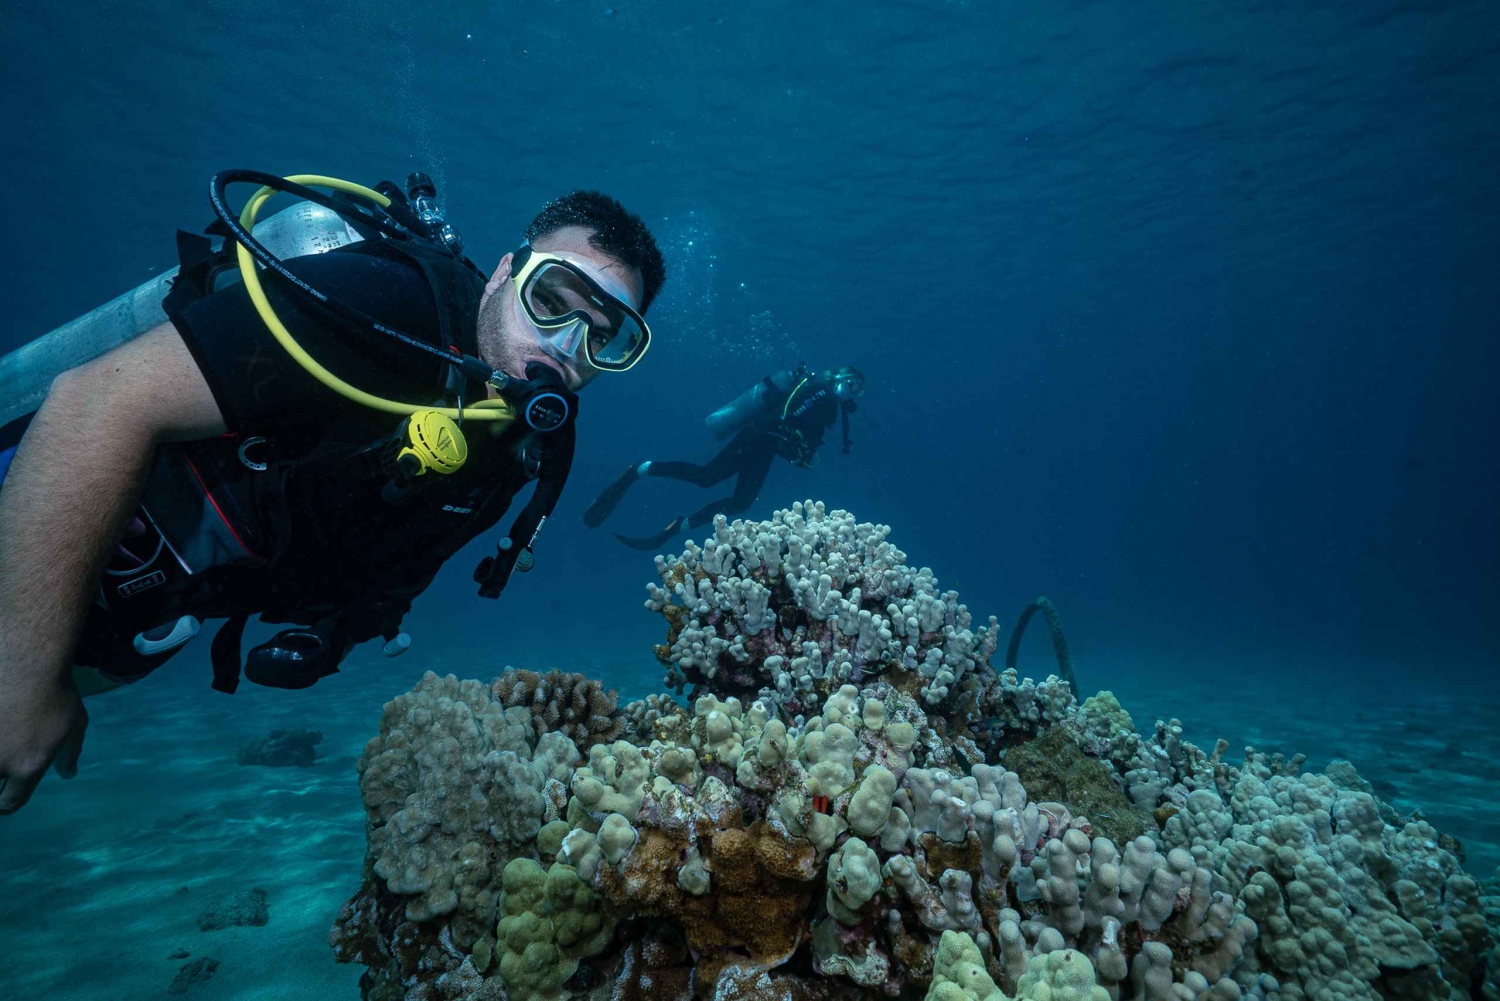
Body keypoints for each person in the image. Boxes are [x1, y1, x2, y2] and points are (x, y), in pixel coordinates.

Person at [0, 178, 666, 815]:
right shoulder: (383, 304)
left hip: (144, 614)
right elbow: (94, 404)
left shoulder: (526, 442)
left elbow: (413, 552)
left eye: (605, 337)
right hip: (37, 538)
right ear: (502, 275)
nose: (567, 346)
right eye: (551, 299)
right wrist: (23, 675)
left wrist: (335, 635)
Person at [584, 363, 865, 549]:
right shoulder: (818, 394)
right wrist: (795, 443)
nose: (853, 393)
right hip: (756, 438)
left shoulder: (828, 405)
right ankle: (639, 469)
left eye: (858, 390)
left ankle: (675, 528)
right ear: (839, 379)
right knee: (707, 478)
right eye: (852, 385)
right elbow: (784, 421)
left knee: (740, 502)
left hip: (765, 447)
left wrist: (800, 451)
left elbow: (799, 438)